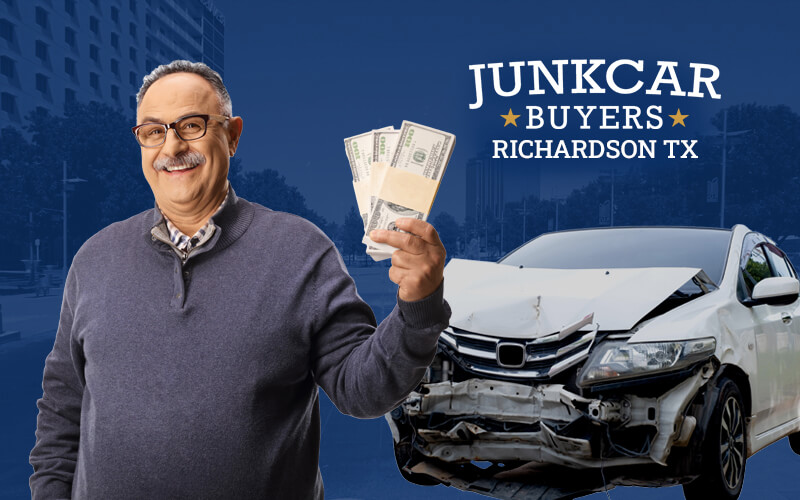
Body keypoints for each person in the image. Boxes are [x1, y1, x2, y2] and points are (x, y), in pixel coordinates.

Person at [29, 60, 450, 499]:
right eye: (153, 131)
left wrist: (418, 307)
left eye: (190, 125)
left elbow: (362, 390)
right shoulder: (94, 258)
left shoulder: (301, 250)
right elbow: (62, 409)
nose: (171, 148)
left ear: (232, 135)